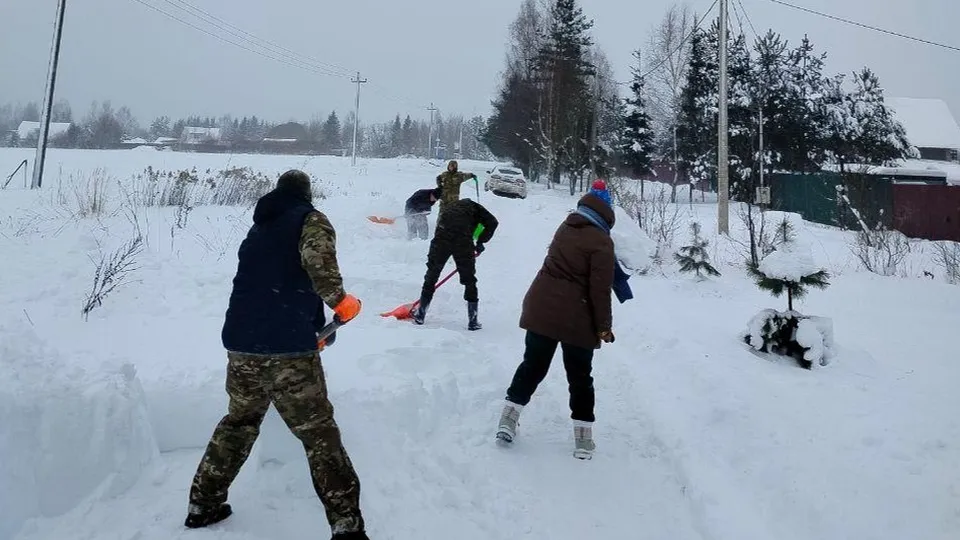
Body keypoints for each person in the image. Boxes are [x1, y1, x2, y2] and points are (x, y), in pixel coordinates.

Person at [185, 170, 370, 540]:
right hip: (286, 348)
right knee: (319, 435)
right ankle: (346, 526)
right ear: (306, 193)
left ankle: (203, 505)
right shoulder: (310, 219)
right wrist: (341, 303)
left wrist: (311, 327)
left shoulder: (259, 229)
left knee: (239, 423)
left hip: (241, 344)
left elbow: (276, 281)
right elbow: (318, 266)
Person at [495, 180, 618, 460]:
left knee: (533, 366)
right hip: (578, 315)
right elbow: (600, 290)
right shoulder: (602, 241)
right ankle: (583, 439)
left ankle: (508, 419)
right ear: (607, 212)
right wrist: (604, 327)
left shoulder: (566, 227)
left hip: (542, 306)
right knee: (580, 377)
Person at [412, 197, 498, 330]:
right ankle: (473, 321)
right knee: (469, 280)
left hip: (441, 237)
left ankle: (420, 315)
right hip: (463, 241)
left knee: (432, 275)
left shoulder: (451, 208)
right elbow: (493, 222)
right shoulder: (477, 210)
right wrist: (481, 241)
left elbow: (439, 228)